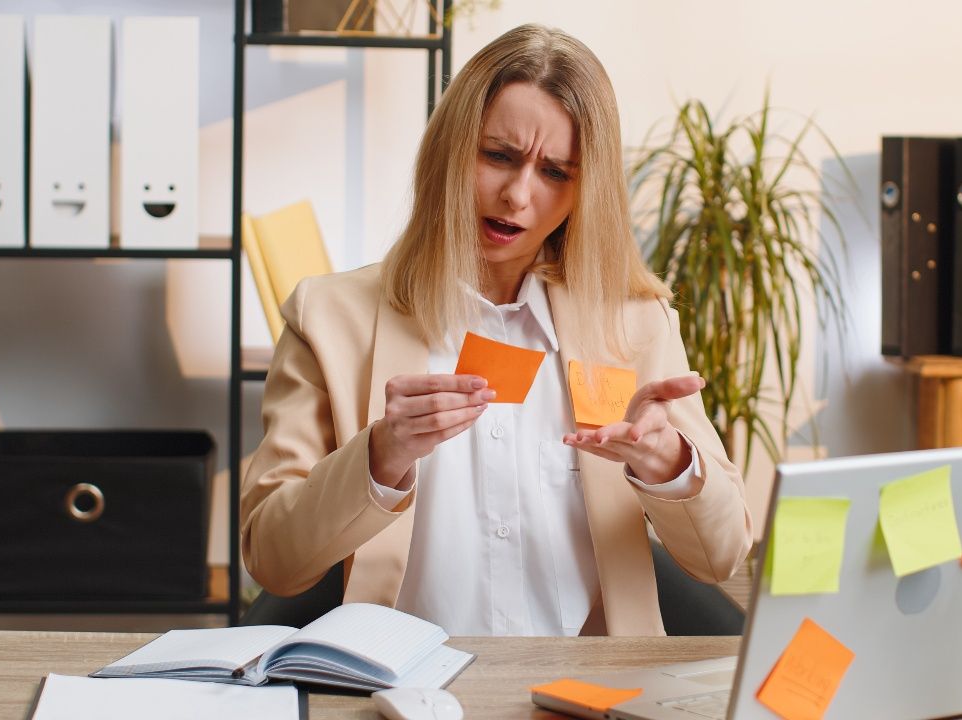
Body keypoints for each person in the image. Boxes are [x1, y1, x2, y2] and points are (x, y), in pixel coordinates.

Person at [241, 23, 752, 637]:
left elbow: (722, 555)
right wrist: (383, 455)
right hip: (400, 690)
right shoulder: (327, 320)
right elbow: (273, 560)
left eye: (556, 172)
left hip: (585, 693)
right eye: (499, 156)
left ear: (585, 191)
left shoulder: (634, 324)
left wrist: (667, 461)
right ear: (450, 151)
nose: (517, 194)